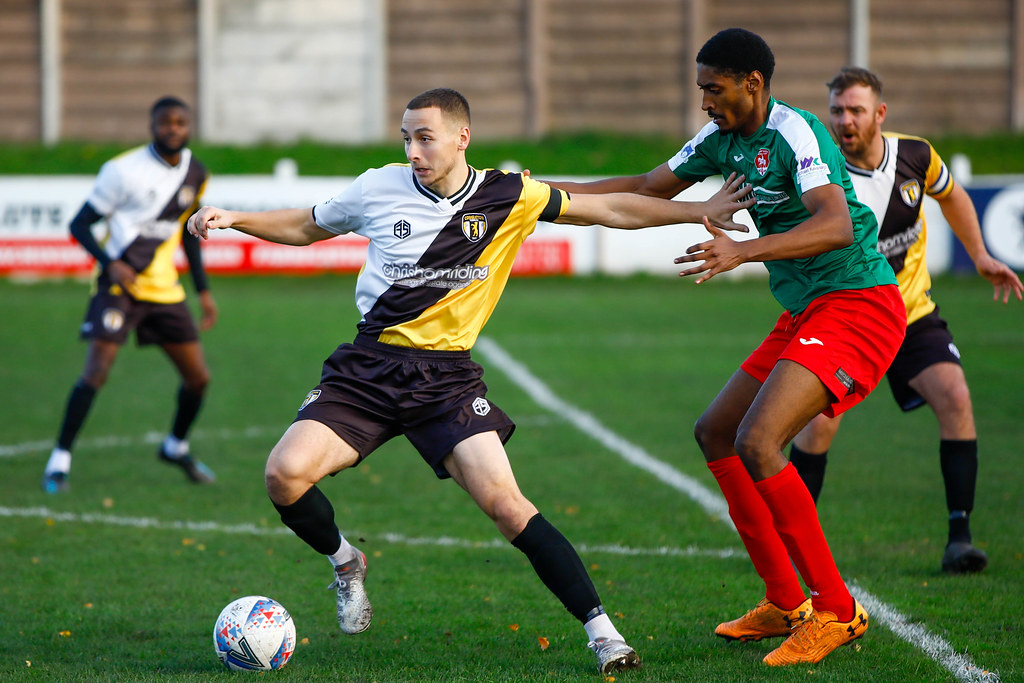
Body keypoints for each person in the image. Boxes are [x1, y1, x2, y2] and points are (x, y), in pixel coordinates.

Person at [186, 88, 753, 674]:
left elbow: (613, 209)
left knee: (508, 507)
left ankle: (605, 635)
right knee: (283, 475)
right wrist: (236, 219)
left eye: (425, 137)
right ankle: (345, 561)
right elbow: (307, 227)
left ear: (462, 138)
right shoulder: (378, 186)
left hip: (446, 380)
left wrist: (697, 211)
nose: (413, 150)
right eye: (406, 137)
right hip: (369, 368)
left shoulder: (510, 195)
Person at [544, 28, 904, 666]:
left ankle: (837, 612)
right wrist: (538, 196)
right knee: (716, 432)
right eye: (701, 89)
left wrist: (742, 249)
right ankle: (785, 602)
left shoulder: (795, 134)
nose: (705, 101)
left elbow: (836, 223)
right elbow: (649, 186)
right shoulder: (722, 141)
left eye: (715, 88)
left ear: (754, 83)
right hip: (806, 310)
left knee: (758, 441)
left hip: (857, 303)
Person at [787, 67, 1023, 574]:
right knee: (819, 426)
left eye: (855, 110)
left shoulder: (915, 155)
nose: (844, 121)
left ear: (879, 115)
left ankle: (960, 536)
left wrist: (979, 254)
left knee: (956, 397)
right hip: (849, 323)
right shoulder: (820, 176)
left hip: (912, 314)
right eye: (836, 110)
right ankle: (794, 544)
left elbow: (954, 195)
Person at [41, 96, 218, 494]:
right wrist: (109, 263)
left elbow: (191, 235)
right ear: (152, 125)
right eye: (165, 122)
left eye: (180, 122)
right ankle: (59, 460)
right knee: (96, 371)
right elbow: (80, 224)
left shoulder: (196, 172)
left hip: (165, 292)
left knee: (198, 379)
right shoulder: (121, 170)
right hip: (119, 287)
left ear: (189, 127)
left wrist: (203, 292)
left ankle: (175, 446)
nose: (173, 128)